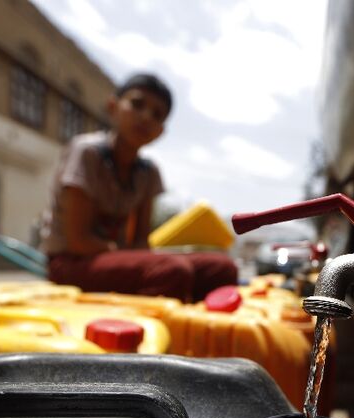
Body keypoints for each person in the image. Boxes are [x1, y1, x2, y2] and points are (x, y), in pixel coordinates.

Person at [39, 73, 237, 302]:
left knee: (222, 268)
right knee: (171, 271)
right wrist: (131, 256)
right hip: (70, 262)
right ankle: (156, 332)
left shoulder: (148, 172)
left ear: (161, 131)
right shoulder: (87, 152)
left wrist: (136, 257)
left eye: (157, 114)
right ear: (113, 106)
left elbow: (141, 240)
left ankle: (198, 326)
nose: (145, 117)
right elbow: (78, 241)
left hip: (114, 259)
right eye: (137, 104)